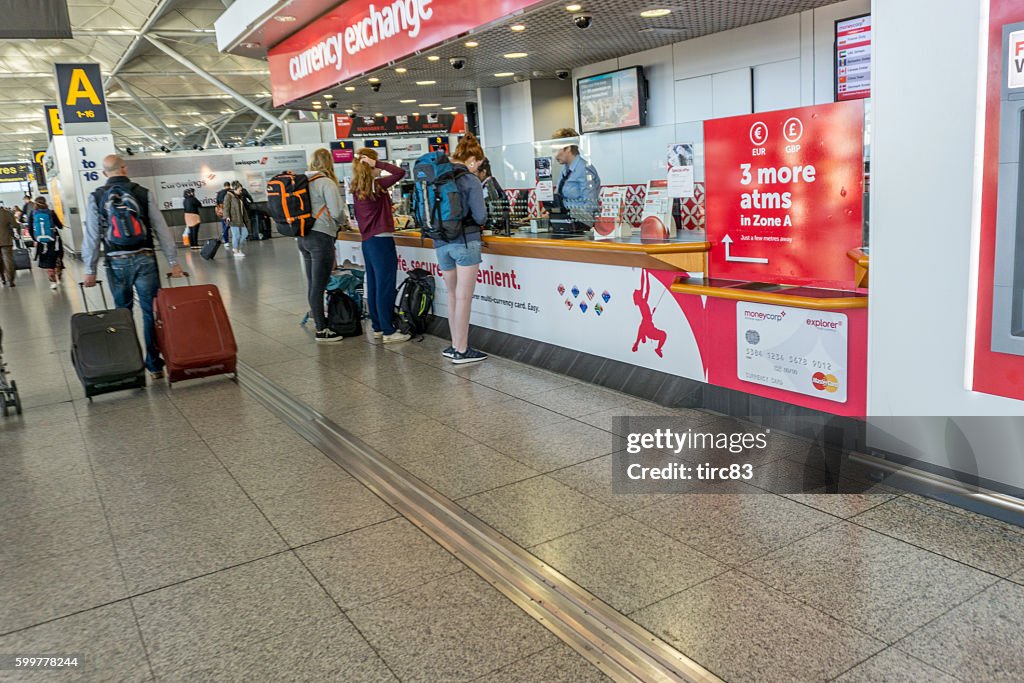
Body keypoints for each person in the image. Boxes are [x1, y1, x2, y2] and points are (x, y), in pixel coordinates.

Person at [82, 154, 183, 379]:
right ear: (125, 169)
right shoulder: (142, 193)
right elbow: (161, 229)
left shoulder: (97, 196)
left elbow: (92, 235)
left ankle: (130, 365)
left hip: (115, 261)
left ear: (104, 173)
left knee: (123, 314)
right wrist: (174, 262)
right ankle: (154, 365)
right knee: (150, 312)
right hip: (145, 257)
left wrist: (89, 269)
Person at [433, 133, 488, 364]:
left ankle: (455, 345)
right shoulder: (470, 180)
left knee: (453, 295)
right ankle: (463, 351)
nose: (479, 168)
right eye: (479, 164)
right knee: (465, 297)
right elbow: (480, 215)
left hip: (440, 243)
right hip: (465, 242)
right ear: (473, 159)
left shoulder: (438, 176)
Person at [351, 147, 410, 344]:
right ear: (370, 165)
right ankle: (388, 329)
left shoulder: (358, 187)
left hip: (368, 241)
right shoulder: (377, 185)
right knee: (385, 285)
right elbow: (400, 172)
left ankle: (378, 325)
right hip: (382, 240)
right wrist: (377, 164)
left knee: (375, 284)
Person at [300, 148, 350, 342]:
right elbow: (337, 211)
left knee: (313, 284)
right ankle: (322, 329)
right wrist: (341, 222)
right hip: (321, 237)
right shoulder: (326, 182)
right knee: (319, 285)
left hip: (303, 237)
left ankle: (319, 322)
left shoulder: (303, 181)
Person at [551, 127, 601, 229]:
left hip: (581, 225)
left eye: (557, 150)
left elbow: (590, 204)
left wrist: (573, 217)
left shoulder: (585, 169)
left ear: (568, 148)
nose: (555, 155)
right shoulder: (565, 170)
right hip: (565, 221)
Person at [31, 197, 64, 290]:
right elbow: (60, 226)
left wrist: (35, 239)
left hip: (41, 242)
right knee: (57, 257)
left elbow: (30, 228)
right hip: (54, 240)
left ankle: (52, 281)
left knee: (46, 261)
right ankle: (58, 274)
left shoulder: (33, 214)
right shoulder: (51, 212)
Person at [475, 158, 509, 233]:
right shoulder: (491, 184)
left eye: (476, 172)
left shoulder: (488, 188)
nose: (474, 175)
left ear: (484, 172)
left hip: (491, 230)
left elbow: (490, 211)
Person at [223, 182, 250, 258]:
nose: (240, 192)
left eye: (241, 190)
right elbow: (226, 207)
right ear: (234, 189)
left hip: (241, 219)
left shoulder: (239, 196)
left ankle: (237, 248)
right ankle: (236, 250)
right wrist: (227, 216)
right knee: (236, 235)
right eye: (239, 190)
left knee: (245, 234)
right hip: (233, 219)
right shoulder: (228, 196)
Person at [0, 204, 17, 287]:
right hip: (5, 240)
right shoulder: (6, 213)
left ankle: (3, 279)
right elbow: (15, 225)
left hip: (5, 240)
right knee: (8, 261)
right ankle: (11, 281)